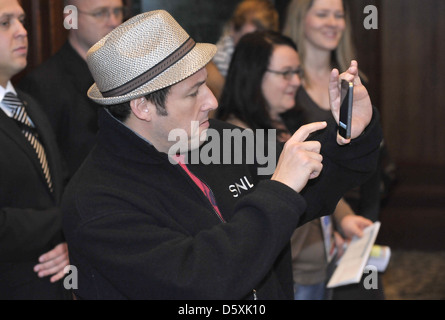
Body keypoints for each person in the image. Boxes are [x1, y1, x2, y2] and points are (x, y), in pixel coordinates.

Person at [61, 10, 382, 299]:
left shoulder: (216, 137)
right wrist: (280, 191)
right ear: (142, 106)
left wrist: (349, 134)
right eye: (192, 92)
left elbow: (316, 184)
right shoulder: (97, 201)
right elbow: (201, 280)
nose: (211, 101)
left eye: (205, 84)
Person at [216, 30, 373, 300]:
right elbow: (257, 218)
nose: (297, 82)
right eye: (286, 73)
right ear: (253, 75)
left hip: (315, 265)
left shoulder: (287, 120)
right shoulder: (234, 139)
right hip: (289, 278)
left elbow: (317, 177)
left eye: (298, 72)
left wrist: (341, 217)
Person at [282, 0, 388, 298]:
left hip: (359, 203)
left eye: (339, 15)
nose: (332, 22)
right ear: (301, 20)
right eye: (322, 14)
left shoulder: (355, 82)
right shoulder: (286, 86)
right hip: (313, 218)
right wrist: (336, 219)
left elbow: (374, 151)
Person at [0, 0, 70, 299]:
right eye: (5, 23)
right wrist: (68, 221)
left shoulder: (29, 105)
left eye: (23, 20)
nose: (22, 32)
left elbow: (62, 184)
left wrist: (71, 242)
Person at [19, 0, 126, 179]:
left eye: (118, 11)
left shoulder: (126, 72)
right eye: (100, 13)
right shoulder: (42, 85)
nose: (114, 21)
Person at [206, 0, 279, 100]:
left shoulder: (272, 69)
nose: (255, 47)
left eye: (263, 41)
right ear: (233, 29)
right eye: (249, 38)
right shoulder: (210, 74)